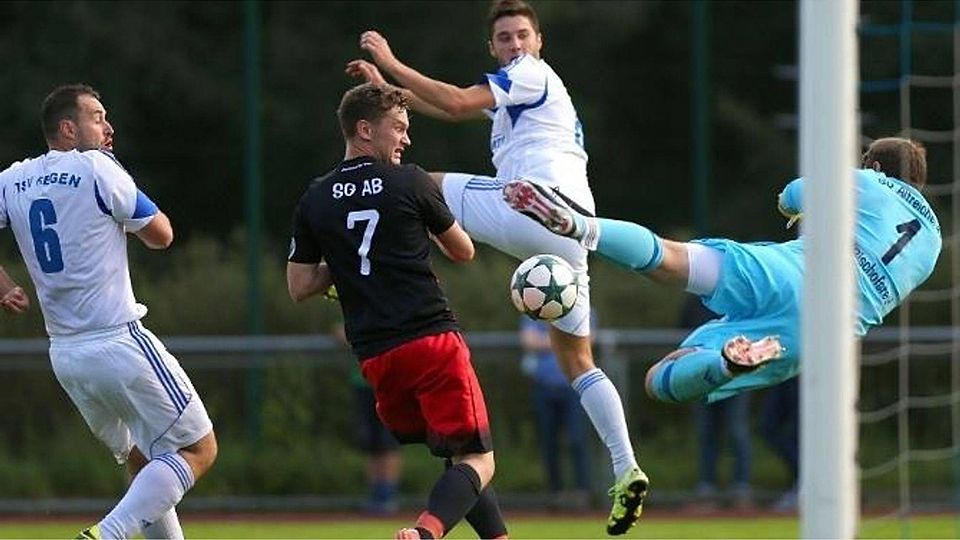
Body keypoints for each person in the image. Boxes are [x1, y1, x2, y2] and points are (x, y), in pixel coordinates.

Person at [345, 2, 647, 533]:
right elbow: (450, 103)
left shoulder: (530, 73)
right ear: (492, 48)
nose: (514, 45)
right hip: (573, 229)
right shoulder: (517, 95)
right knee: (577, 358)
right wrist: (389, 92)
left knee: (419, 185)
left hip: (532, 202)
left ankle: (366, 270)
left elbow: (459, 102)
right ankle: (626, 468)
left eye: (521, 35)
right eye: (504, 38)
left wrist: (390, 62)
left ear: (539, 41)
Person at [504, 137, 942, 405]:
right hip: (823, 337)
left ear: (877, 167)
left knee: (670, 259)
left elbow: (793, 195)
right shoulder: (934, 244)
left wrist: (801, 207)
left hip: (791, 273)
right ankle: (726, 365)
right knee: (659, 380)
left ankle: (582, 226)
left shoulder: (867, 181)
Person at [287, 82, 507, 540]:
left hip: (376, 359)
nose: (406, 139)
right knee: (478, 459)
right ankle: (425, 533)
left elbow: (300, 286)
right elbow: (462, 251)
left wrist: (343, 262)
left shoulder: (315, 196)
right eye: (399, 129)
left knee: (457, 452)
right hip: (431, 342)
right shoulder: (410, 180)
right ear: (365, 130)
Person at [0, 84, 217, 540]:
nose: (108, 126)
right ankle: (108, 534)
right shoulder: (98, 168)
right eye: (97, 116)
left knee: (141, 459)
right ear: (67, 128)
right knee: (198, 449)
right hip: (118, 341)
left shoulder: (14, 177)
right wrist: (122, 187)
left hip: (65, 355)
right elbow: (162, 236)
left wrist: (5, 287)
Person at [678, 297, 752, 512]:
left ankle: (741, 489)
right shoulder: (695, 299)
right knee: (706, 432)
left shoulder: (739, 297)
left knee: (736, 430)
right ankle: (707, 491)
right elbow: (683, 333)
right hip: (703, 377)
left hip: (737, 376)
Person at [334, 323, 403, 515]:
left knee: (387, 441)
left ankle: (387, 495)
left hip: (386, 381)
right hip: (363, 383)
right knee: (370, 441)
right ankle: (376, 495)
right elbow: (342, 332)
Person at [519, 318, 589, 506]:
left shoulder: (579, 304)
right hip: (544, 388)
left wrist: (545, 341)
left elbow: (586, 340)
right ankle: (555, 494)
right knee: (548, 443)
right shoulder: (534, 305)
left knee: (577, 440)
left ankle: (582, 493)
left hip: (574, 389)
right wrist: (564, 341)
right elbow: (528, 340)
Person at [759, 378, 799, 512]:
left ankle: (803, 484)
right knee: (768, 427)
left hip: (808, 372)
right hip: (784, 371)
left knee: (798, 431)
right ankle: (803, 482)